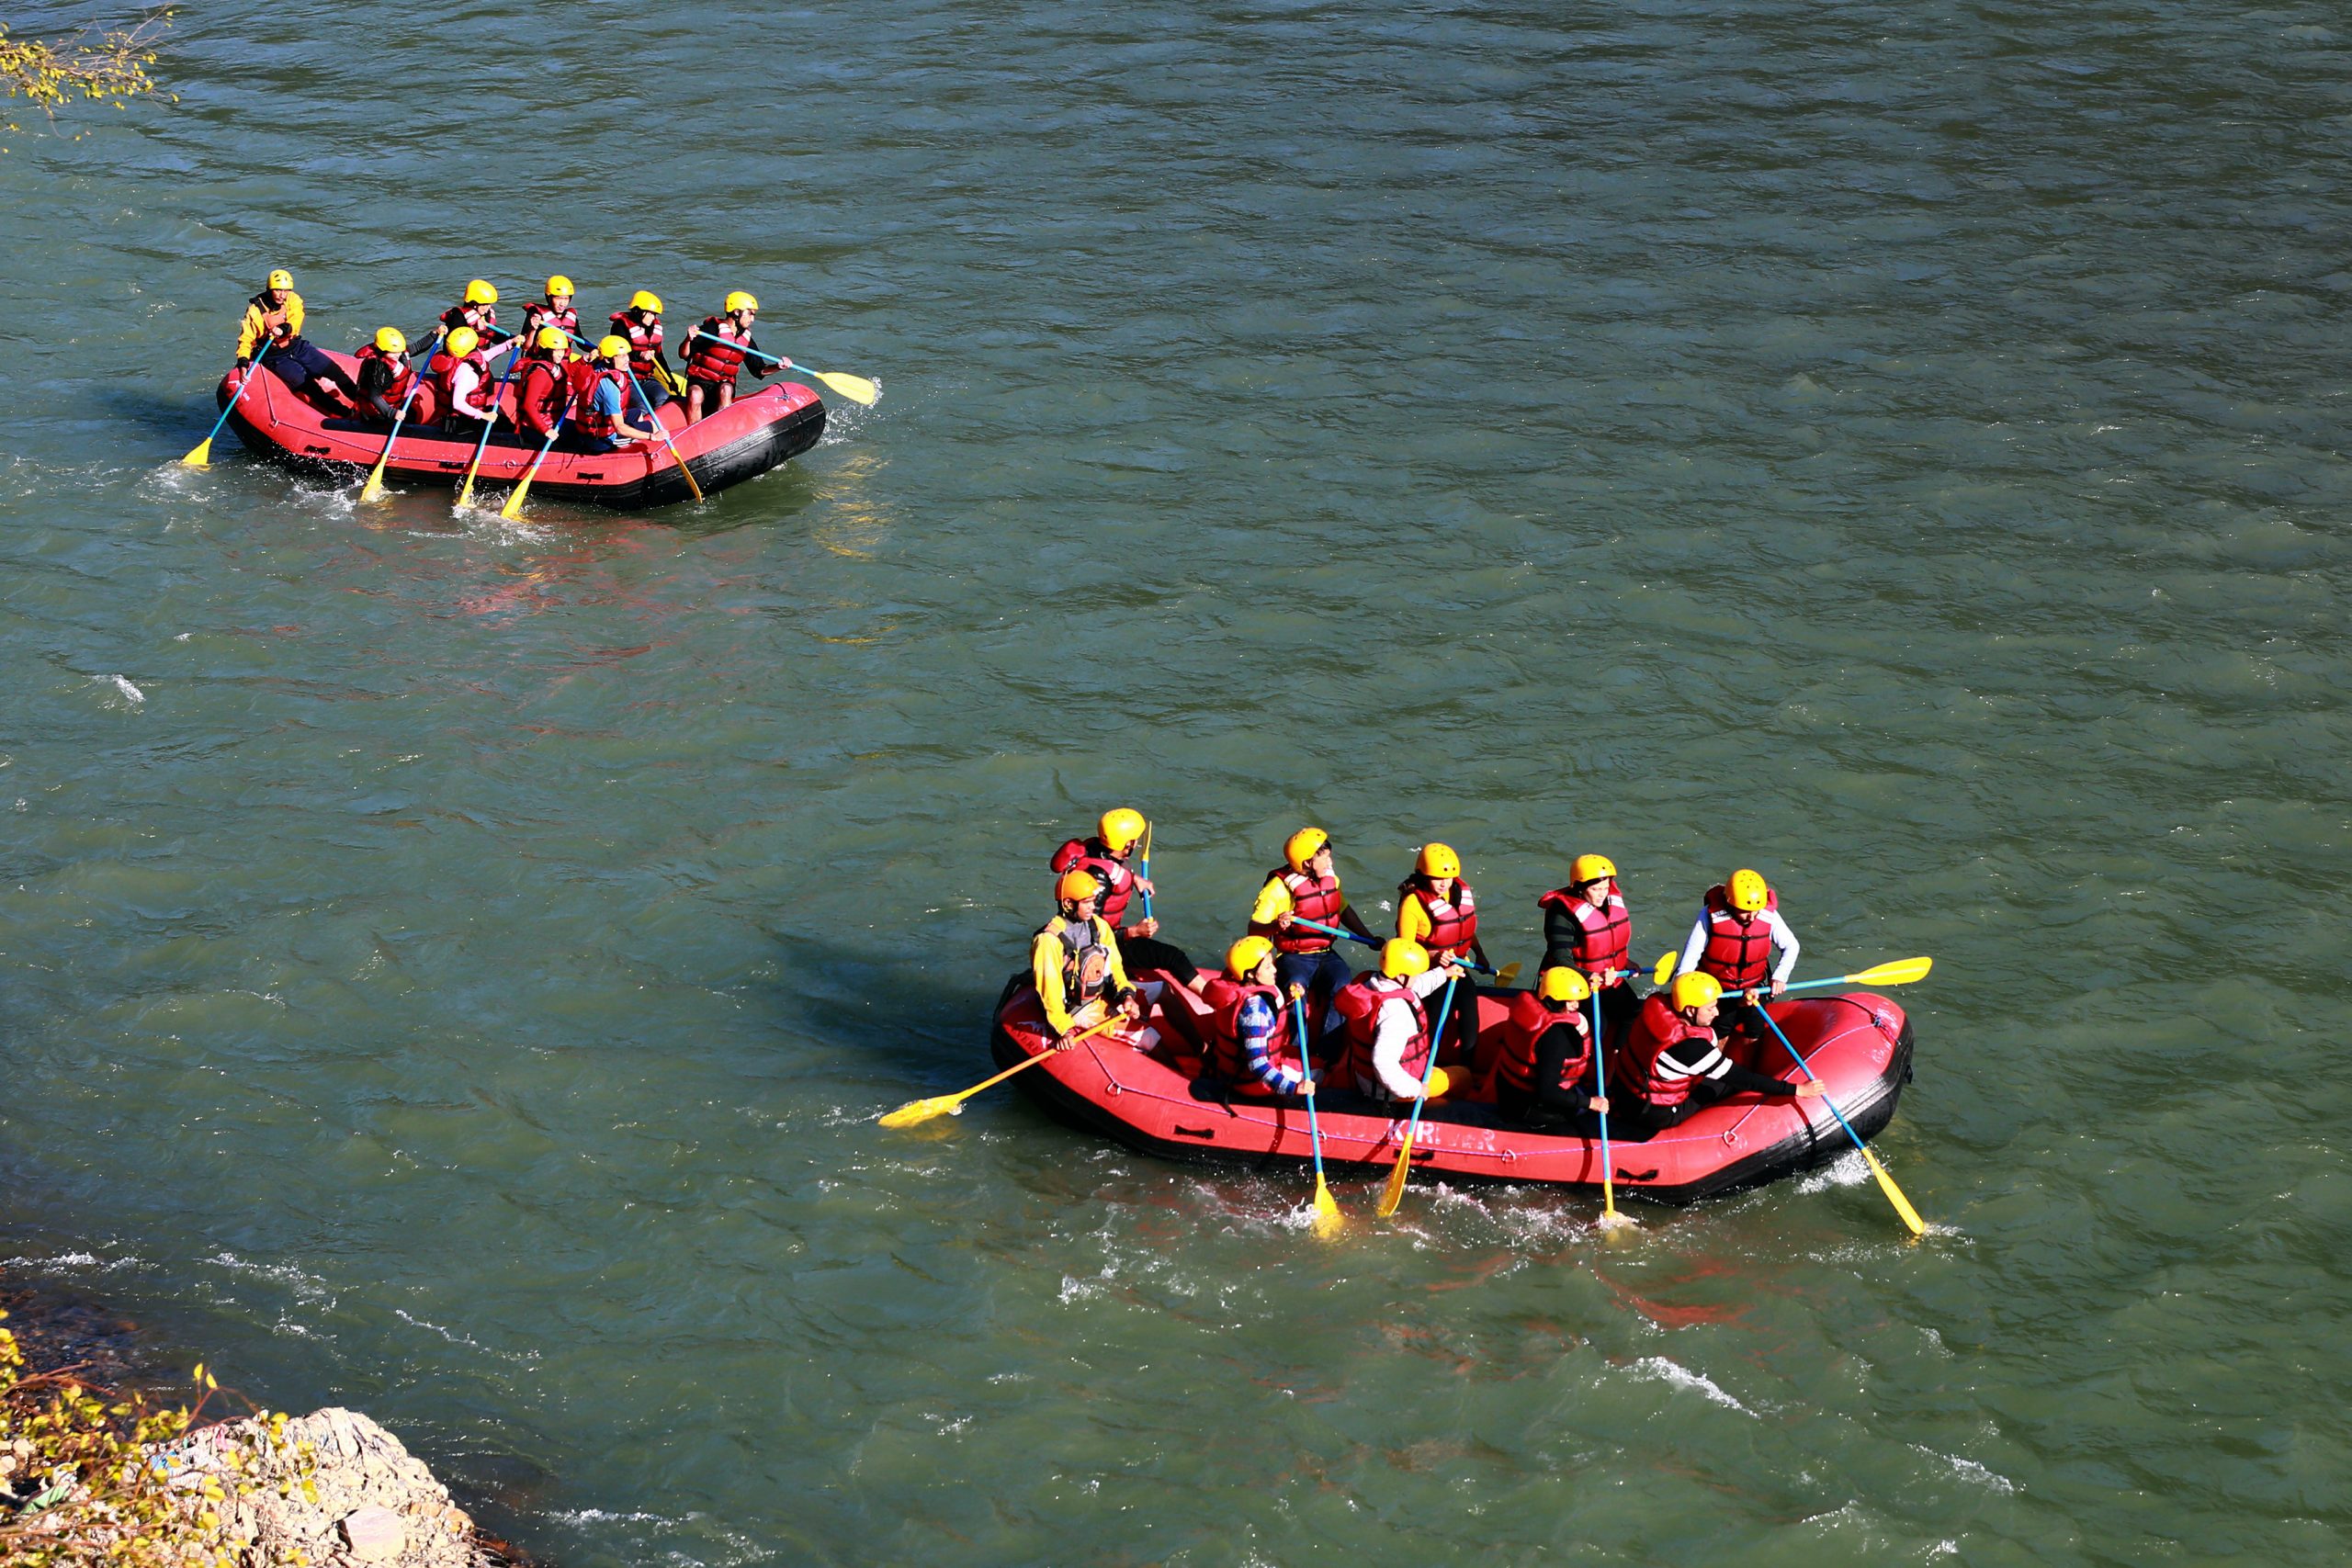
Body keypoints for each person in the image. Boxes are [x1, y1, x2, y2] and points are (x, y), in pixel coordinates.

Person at [1618, 971, 1823, 1129]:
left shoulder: (1655, 1004)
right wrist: (1797, 1090)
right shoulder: (1692, 1048)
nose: (1716, 1013)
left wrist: (1740, 1004)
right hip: (1656, 1113)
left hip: (1624, 1089)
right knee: (1722, 1085)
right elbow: (1743, 1078)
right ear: (1689, 1009)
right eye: (1710, 1008)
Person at [1047, 807, 1203, 992]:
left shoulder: (1095, 848)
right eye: (1134, 839)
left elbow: (1113, 869)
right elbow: (1089, 934)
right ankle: (1212, 997)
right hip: (1099, 945)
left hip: (1107, 934)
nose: (1137, 842)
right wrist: (1134, 932)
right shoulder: (1099, 880)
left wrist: (1135, 879)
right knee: (1172, 956)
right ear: (1127, 843)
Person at [1248, 828, 1380, 1020]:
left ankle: (1328, 1048)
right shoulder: (1276, 888)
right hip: (1293, 957)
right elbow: (1254, 929)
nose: (1330, 863)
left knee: (1343, 986)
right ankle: (1293, 1046)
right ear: (1308, 862)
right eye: (1325, 858)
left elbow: (1343, 910)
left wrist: (1369, 939)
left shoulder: (1331, 880)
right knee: (1296, 989)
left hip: (1326, 954)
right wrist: (1276, 926)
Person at [1675, 868, 1799, 1044]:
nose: (1752, 916)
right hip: (1718, 989)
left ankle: (1748, 1064)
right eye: (1744, 911)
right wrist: (1683, 990)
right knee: (1721, 1029)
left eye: (1756, 910)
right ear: (1729, 903)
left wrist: (1780, 976)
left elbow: (1791, 946)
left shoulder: (1766, 914)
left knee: (1755, 1029)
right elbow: (1691, 955)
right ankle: (1715, 1066)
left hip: (1754, 987)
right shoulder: (1709, 916)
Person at [1333, 939, 1462, 1105]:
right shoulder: (1396, 1012)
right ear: (1401, 975)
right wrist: (1415, 1089)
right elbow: (1382, 1063)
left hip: (1365, 1079)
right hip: (1389, 1093)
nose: (1417, 977)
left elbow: (1416, 986)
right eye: (1415, 974)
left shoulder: (1371, 983)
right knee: (1462, 1077)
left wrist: (1444, 973)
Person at [1396, 841, 1487, 1065]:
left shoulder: (1456, 893)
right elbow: (1403, 951)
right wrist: (1433, 956)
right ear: (1423, 875)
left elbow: (1462, 930)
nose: (1444, 883)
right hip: (1428, 973)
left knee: (1470, 1012)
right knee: (1435, 1016)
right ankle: (1427, 1066)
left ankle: (1467, 1066)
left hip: (1457, 968)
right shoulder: (1412, 903)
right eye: (1437, 878)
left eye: (1448, 878)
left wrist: (1480, 954)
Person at [1031, 869, 1141, 1049]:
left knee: (1162, 991)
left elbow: (1115, 967)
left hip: (1098, 993)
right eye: (1086, 902)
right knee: (1150, 1036)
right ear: (1068, 903)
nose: (1093, 906)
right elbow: (1049, 991)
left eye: (1093, 901)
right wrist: (1063, 1029)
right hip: (1076, 1008)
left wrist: (1127, 995)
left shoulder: (1098, 925)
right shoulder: (1048, 941)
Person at [1487, 967, 1609, 1130]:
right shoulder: (1556, 1036)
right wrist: (1591, 1103)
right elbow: (1548, 1092)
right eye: (1571, 1000)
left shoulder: (1532, 1007)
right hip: (1529, 1107)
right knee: (1587, 1108)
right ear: (1556, 999)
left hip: (1507, 1091)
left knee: (1581, 1092)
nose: (1576, 1004)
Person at [233, 267, 362, 411]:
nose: (283, 295)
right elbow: (246, 339)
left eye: (286, 290)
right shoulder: (255, 311)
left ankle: (365, 404)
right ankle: (344, 413)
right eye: (278, 290)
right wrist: (243, 363)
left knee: (335, 372)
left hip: (296, 346)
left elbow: (296, 318)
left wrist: (284, 328)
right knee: (309, 387)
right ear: (269, 289)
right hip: (275, 356)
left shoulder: (292, 299)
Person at [1196, 938, 1308, 1099]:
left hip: (1231, 1071)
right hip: (1252, 1084)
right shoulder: (1255, 1010)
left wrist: (1286, 999)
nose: (1275, 970)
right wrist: (1293, 1088)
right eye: (1268, 966)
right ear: (1250, 973)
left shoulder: (1239, 987)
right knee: (1320, 1073)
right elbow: (1258, 1064)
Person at [1538, 853, 1639, 1030]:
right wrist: (1591, 976)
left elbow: (1607, 949)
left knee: (1634, 1013)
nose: (1602, 895)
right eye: (1596, 890)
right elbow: (1561, 960)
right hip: (1577, 983)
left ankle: (1617, 1052)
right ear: (1579, 888)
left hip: (1606, 979)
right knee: (1598, 1027)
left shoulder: (1606, 903)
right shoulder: (1562, 915)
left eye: (1605, 888)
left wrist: (1626, 963)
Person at [682, 290, 785, 423]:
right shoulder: (711, 329)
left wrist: (778, 367)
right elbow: (683, 354)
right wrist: (688, 339)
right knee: (696, 395)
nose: (752, 319)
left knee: (726, 390)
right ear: (736, 312)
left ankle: (723, 428)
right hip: (700, 381)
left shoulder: (746, 339)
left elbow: (758, 370)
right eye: (750, 314)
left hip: (722, 384)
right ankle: (693, 433)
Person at [571, 336, 669, 452]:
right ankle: (622, 453)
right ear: (608, 359)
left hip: (593, 425)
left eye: (627, 355)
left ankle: (630, 442)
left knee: (637, 413)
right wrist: (652, 436)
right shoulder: (609, 388)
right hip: (601, 439)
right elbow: (620, 428)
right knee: (654, 427)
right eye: (621, 356)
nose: (627, 359)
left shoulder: (595, 367)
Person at [606, 290, 677, 408]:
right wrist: (640, 355)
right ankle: (639, 423)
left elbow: (659, 356)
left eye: (654, 314)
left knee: (663, 398)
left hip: (646, 378)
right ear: (638, 311)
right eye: (650, 314)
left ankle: (660, 424)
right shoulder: (620, 326)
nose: (652, 317)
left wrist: (670, 379)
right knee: (641, 405)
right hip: (627, 379)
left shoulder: (654, 327)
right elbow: (618, 354)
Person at [430, 326, 502, 435]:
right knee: (505, 425)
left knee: (501, 418)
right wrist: (484, 415)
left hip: (469, 415)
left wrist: (510, 343)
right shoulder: (466, 373)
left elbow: (486, 355)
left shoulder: (467, 357)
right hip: (462, 422)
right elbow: (458, 404)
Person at [352, 326, 431, 423]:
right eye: (393, 352)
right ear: (382, 350)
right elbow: (374, 396)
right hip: (375, 412)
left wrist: (434, 335)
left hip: (393, 404)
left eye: (399, 351)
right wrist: (392, 413)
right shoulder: (376, 368)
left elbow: (417, 347)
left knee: (412, 414)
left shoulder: (398, 352)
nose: (397, 355)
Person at [514, 327, 573, 441]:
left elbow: (571, 371)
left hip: (553, 422)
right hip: (536, 428)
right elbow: (528, 405)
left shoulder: (556, 365)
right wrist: (545, 430)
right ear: (545, 350)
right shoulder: (540, 374)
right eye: (556, 350)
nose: (561, 354)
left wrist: (586, 359)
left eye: (562, 350)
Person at [439, 279, 511, 351]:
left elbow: (494, 336)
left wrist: (512, 340)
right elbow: (455, 346)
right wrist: (474, 329)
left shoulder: (485, 316)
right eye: (485, 304)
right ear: (473, 303)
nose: (489, 307)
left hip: (480, 358)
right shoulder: (458, 318)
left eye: (489, 304)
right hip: (461, 359)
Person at [522, 275, 580, 344]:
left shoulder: (571, 317)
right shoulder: (536, 315)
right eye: (558, 298)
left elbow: (581, 341)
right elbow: (525, 347)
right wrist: (532, 329)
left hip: (562, 355)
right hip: (540, 355)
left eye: (566, 298)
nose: (562, 304)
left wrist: (594, 350)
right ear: (549, 298)